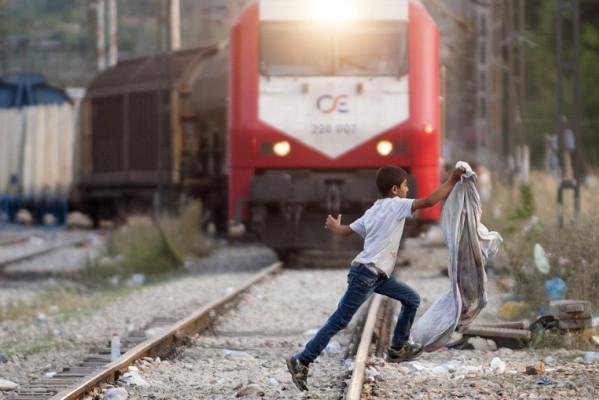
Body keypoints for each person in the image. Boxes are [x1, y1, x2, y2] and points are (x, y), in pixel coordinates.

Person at [286, 164, 465, 392]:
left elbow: (345, 231)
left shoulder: (374, 210)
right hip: (366, 275)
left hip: (376, 275)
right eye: (405, 186)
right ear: (394, 189)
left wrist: (335, 227)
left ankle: (398, 347)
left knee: (411, 299)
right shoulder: (397, 205)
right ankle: (302, 360)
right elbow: (429, 202)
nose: (408, 189)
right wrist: (452, 180)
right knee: (339, 321)